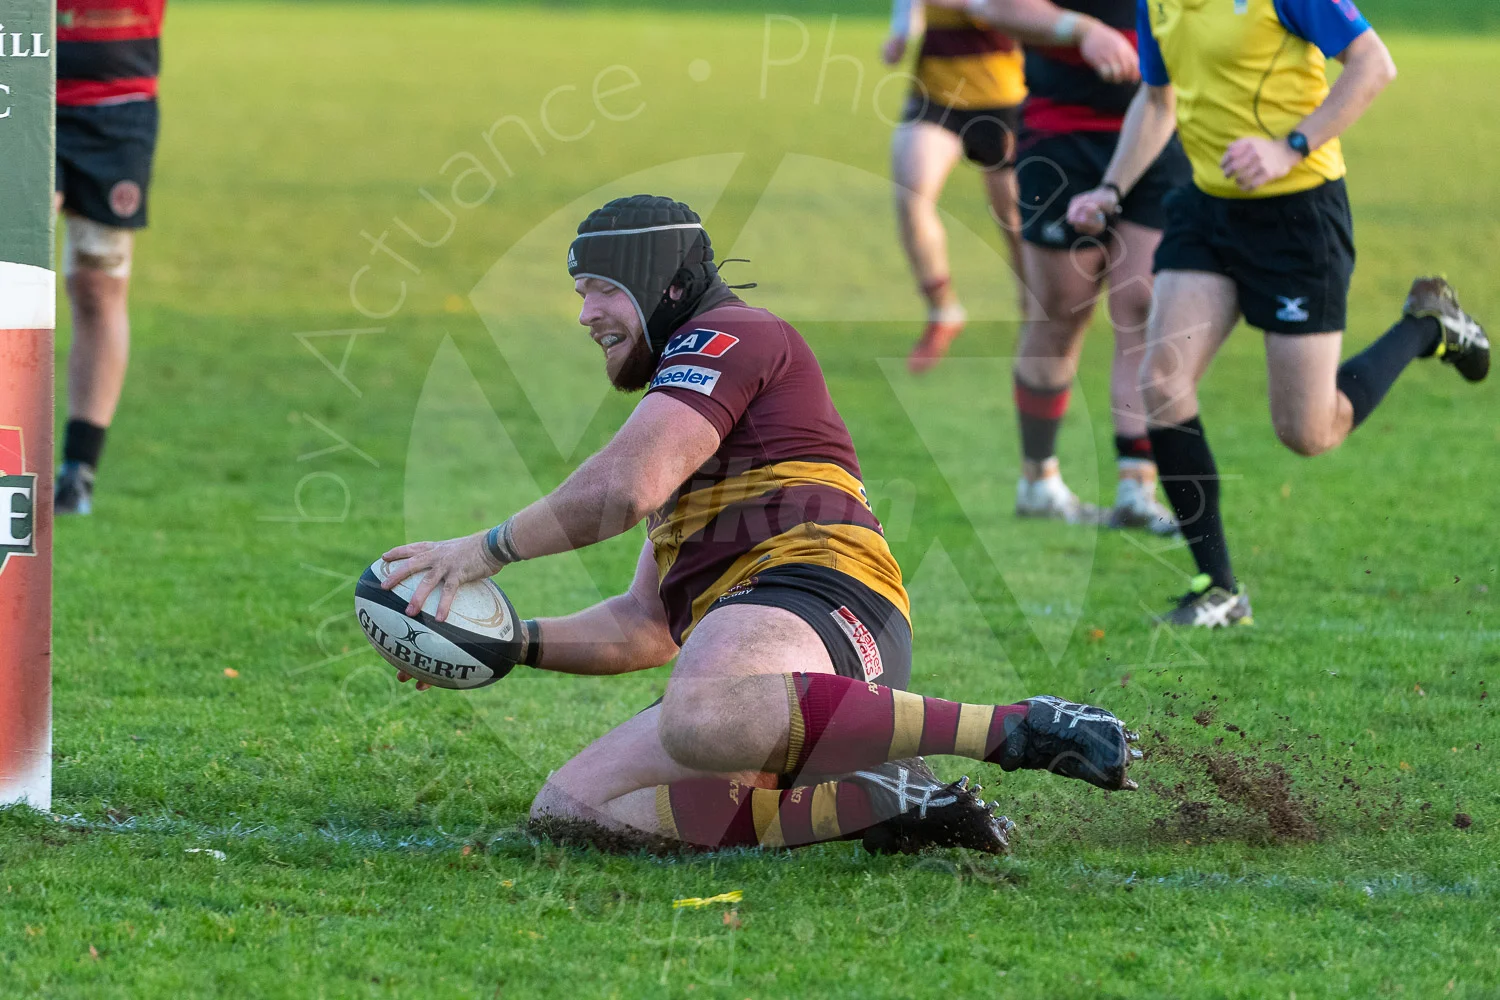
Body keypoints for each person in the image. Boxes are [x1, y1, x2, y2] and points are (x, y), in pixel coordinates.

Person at [381, 195, 1141, 853]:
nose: (586, 316)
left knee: (701, 712)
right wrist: (505, 642)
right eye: (580, 294)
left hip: (822, 596)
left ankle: (1015, 728)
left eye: (602, 291)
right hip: (763, 644)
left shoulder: (730, 335)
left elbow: (622, 490)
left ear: (666, 285)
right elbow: (648, 624)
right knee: (575, 811)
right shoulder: (691, 406)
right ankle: (880, 797)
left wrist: (484, 552)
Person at [1066, 0, 1489, 626]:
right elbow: (1158, 102)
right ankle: (1220, 588)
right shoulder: (1156, 3)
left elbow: (1374, 64)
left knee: (1308, 431)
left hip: (1298, 217)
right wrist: (1111, 188)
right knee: (1160, 381)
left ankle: (1429, 326)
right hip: (1208, 209)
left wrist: (1291, 147)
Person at [945, 0, 1188, 530]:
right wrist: (1084, 31)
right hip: (1064, 139)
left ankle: (1136, 487)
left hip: (1158, 134)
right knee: (1061, 315)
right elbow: (993, 7)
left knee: (1142, 308)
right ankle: (1039, 480)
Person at [52, 0, 168, 515]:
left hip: (118, 100)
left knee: (98, 283)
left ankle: (78, 471)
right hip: (19, 88)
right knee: (13, 266)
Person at [883, 0, 1028, 374]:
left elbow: (1013, 14)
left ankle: (1036, 310)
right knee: (912, 198)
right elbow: (909, 14)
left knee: (1013, 216)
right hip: (935, 98)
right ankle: (943, 310)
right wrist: (900, 34)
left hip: (1005, 101)